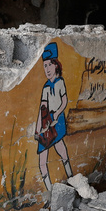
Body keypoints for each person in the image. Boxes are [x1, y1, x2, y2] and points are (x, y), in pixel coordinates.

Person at [35, 43, 73, 190]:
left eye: (49, 65)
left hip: (57, 121)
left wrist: (56, 114)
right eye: (44, 66)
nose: (47, 69)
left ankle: (71, 178)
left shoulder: (60, 82)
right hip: (46, 123)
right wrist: (38, 129)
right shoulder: (45, 87)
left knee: (61, 150)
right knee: (41, 161)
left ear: (56, 65)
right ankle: (50, 192)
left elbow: (64, 101)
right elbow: (42, 107)